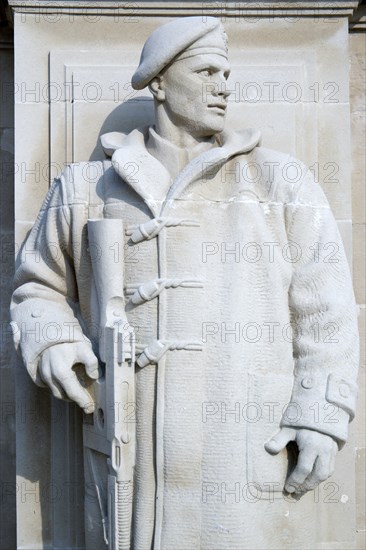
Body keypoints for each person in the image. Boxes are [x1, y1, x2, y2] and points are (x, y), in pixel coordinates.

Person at [11, 16, 359, 550]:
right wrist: (55, 342)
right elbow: (38, 287)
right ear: (159, 82)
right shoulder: (85, 186)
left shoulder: (277, 180)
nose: (224, 85)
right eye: (206, 71)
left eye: (227, 72)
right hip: (127, 456)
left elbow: (327, 311)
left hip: (245, 449)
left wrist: (320, 415)